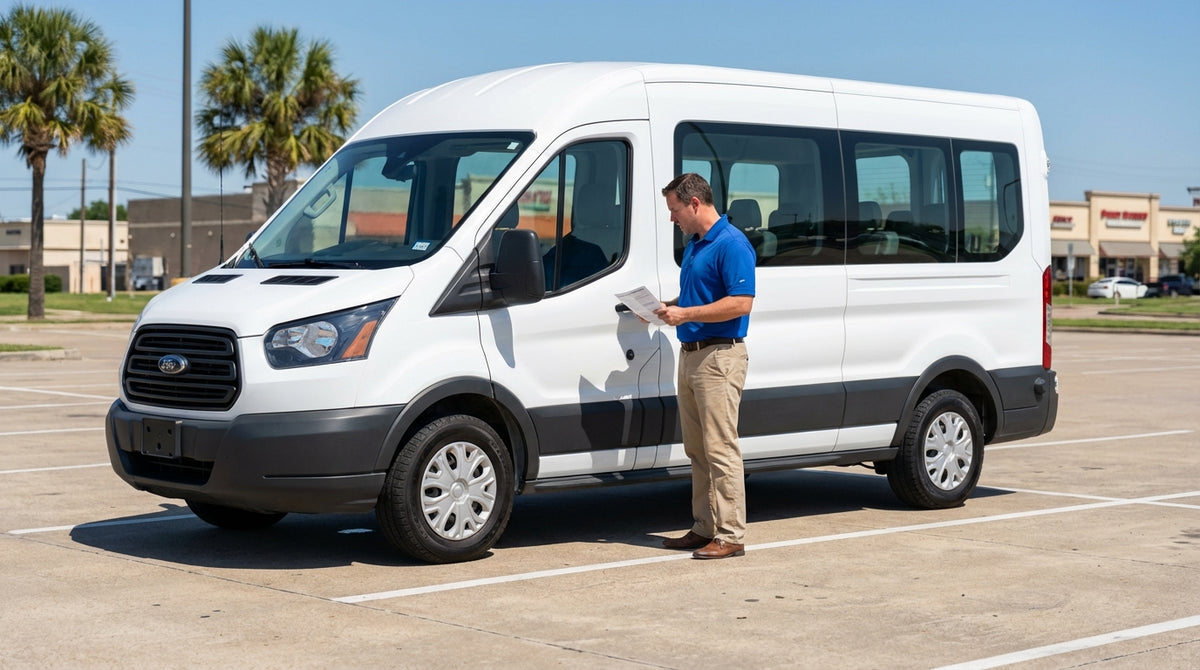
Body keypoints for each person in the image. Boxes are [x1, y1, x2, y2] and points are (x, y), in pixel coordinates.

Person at [654, 173, 755, 559]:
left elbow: (741, 303)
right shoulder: (697, 245)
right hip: (692, 354)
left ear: (694, 204)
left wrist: (687, 312)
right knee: (697, 449)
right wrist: (669, 307)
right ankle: (705, 526)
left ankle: (731, 534)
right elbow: (702, 296)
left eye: (675, 210)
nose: (672, 218)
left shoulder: (731, 244)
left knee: (720, 448)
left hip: (718, 357)